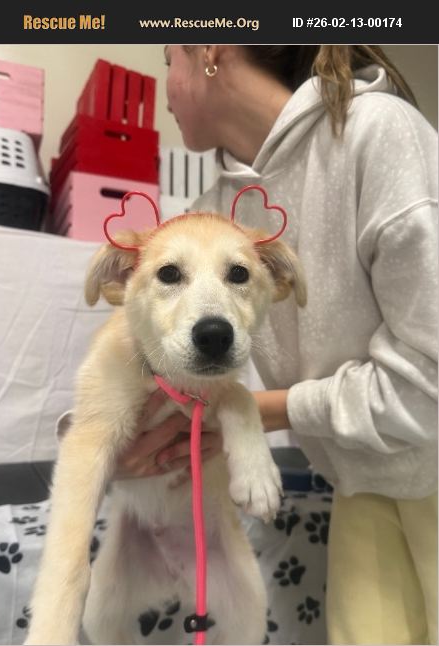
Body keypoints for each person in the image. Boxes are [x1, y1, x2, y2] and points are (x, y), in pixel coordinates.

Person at [102, 45, 438, 644]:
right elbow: (141, 357)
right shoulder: (210, 216)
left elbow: (429, 383)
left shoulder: (380, 134)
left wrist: (254, 411)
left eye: (169, 60)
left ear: (209, 49)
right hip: (361, 480)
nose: (165, 85)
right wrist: (115, 437)